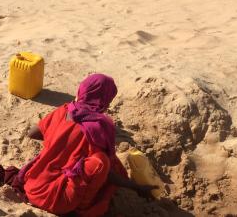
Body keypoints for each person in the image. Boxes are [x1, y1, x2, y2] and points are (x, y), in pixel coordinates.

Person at [21, 74, 158, 216]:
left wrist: (59, 142)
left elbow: (32, 133)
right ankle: (82, 208)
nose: (109, 104)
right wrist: (136, 187)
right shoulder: (97, 127)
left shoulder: (63, 110)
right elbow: (106, 172)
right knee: (101, 162)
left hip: (32, 186)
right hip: (58, 201)